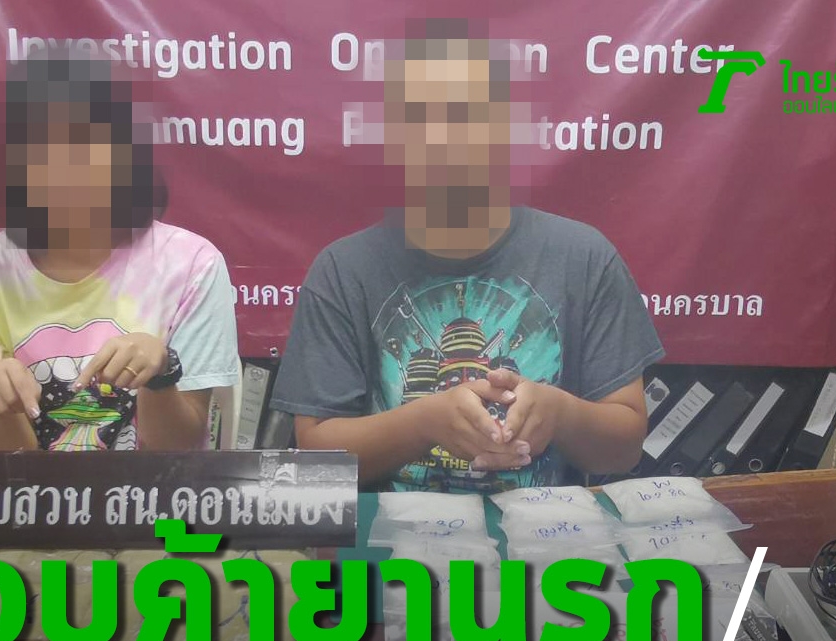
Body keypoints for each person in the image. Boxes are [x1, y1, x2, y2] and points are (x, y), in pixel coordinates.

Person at [270, 20, 664, 492]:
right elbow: (316, 457)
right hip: (391, 533)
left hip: (547, 531)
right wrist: (423, 422)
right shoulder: (342, 271)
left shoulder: (585, 259)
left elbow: (624, 447)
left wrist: (559, 413)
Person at [0, 52, 239, 452]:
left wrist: (160, 374)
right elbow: (5, 468)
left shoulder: (191, 265)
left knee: (171, 502)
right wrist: (2, 408)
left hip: (159, 492)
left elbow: (182, 452)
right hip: (34, 492)